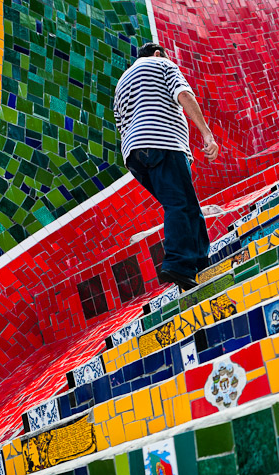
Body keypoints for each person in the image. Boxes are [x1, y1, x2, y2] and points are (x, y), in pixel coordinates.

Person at [113, 42, 219, 291]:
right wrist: (206, 134)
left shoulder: (121, 85)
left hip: (135, 155)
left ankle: (200, 260)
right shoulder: (162, 63)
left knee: (185, 203)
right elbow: (184, 95)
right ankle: (177, 263)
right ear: (158, 53)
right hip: (164, 144)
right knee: (178, 204)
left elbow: (120, 123)